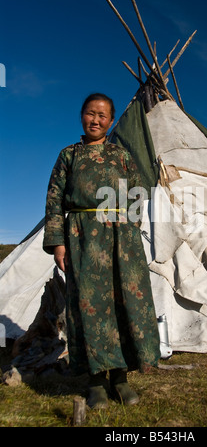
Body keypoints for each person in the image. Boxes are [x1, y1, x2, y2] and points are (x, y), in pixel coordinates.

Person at [43, 93, 160, 408]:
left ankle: (120, 379)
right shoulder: (69, 155)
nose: (95, 120)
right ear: (81, 115)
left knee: (125, 303)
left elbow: (137, 192)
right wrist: (58, 243)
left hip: (121, 237)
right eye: (90, 113)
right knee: (88, 306)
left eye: (102, 115)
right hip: (82, 236)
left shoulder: (121, 155)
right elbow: (54, 199)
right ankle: (95, 381)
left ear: (110, 121)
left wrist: (129, 228)